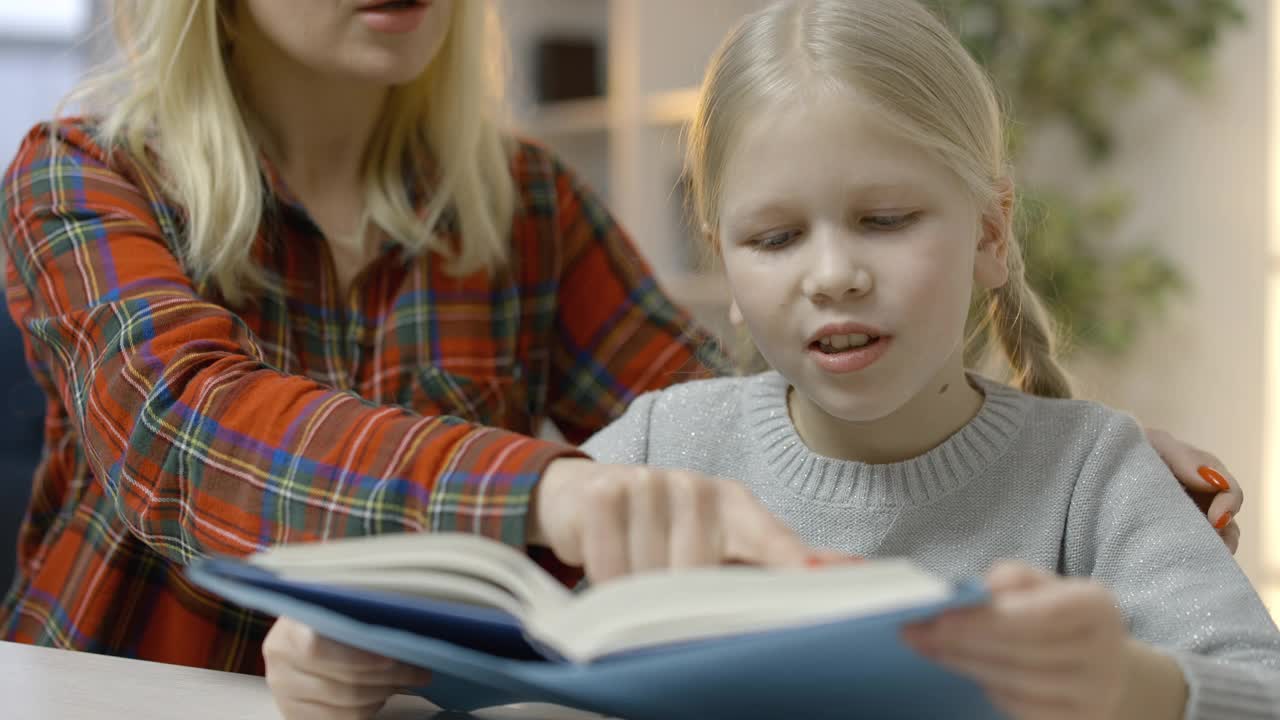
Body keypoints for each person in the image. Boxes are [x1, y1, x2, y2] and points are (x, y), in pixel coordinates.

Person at [0, 0, 1246, 715]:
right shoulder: (81, 170)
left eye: (880, 220)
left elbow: (732, 418)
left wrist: (1034, 440)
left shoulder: (523, 197)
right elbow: (185, 428)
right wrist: (551, 490)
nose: (828, 268)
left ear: (987, 228)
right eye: (773, 233)